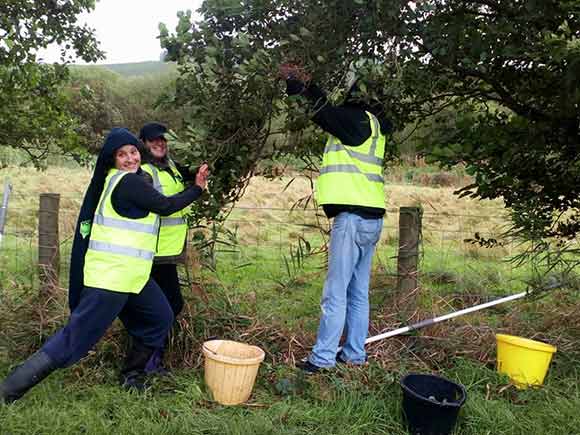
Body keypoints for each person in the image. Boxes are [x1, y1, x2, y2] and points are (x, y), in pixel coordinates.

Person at [0, 128, 209, 403]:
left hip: (133, 277)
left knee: (159, 316)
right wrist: (197, 188)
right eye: (122, 155)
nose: (130, 158)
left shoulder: (122, 180)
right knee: (73, 339)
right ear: (112, 161)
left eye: (133, 152)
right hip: (109, 281)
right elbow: (166, 205)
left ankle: (132, 377)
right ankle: (8, 392)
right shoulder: (127, 183)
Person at [278, 64, 392, 374]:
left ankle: (323, 358)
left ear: (353, 93)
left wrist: (301, 84)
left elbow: (323, 112)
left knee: (336, 291)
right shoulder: (375, 125)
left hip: (352, 219)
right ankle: (354, 354)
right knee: (358, 292)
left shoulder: (355, 121)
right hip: (372, 218)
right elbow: (327, 112)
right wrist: (304, 85)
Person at [138, 122, 193, 320]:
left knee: (167, 305)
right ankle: (151, 346)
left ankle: (155, 345)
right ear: (143, 143)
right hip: (152, 252)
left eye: (163, 139)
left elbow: (195, 170)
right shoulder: (143, 173)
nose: (160, 143)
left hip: (168, 250)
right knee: (170, 304)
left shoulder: (170, 165)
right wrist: (197, 190)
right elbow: (164, 205)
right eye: (154, 140)